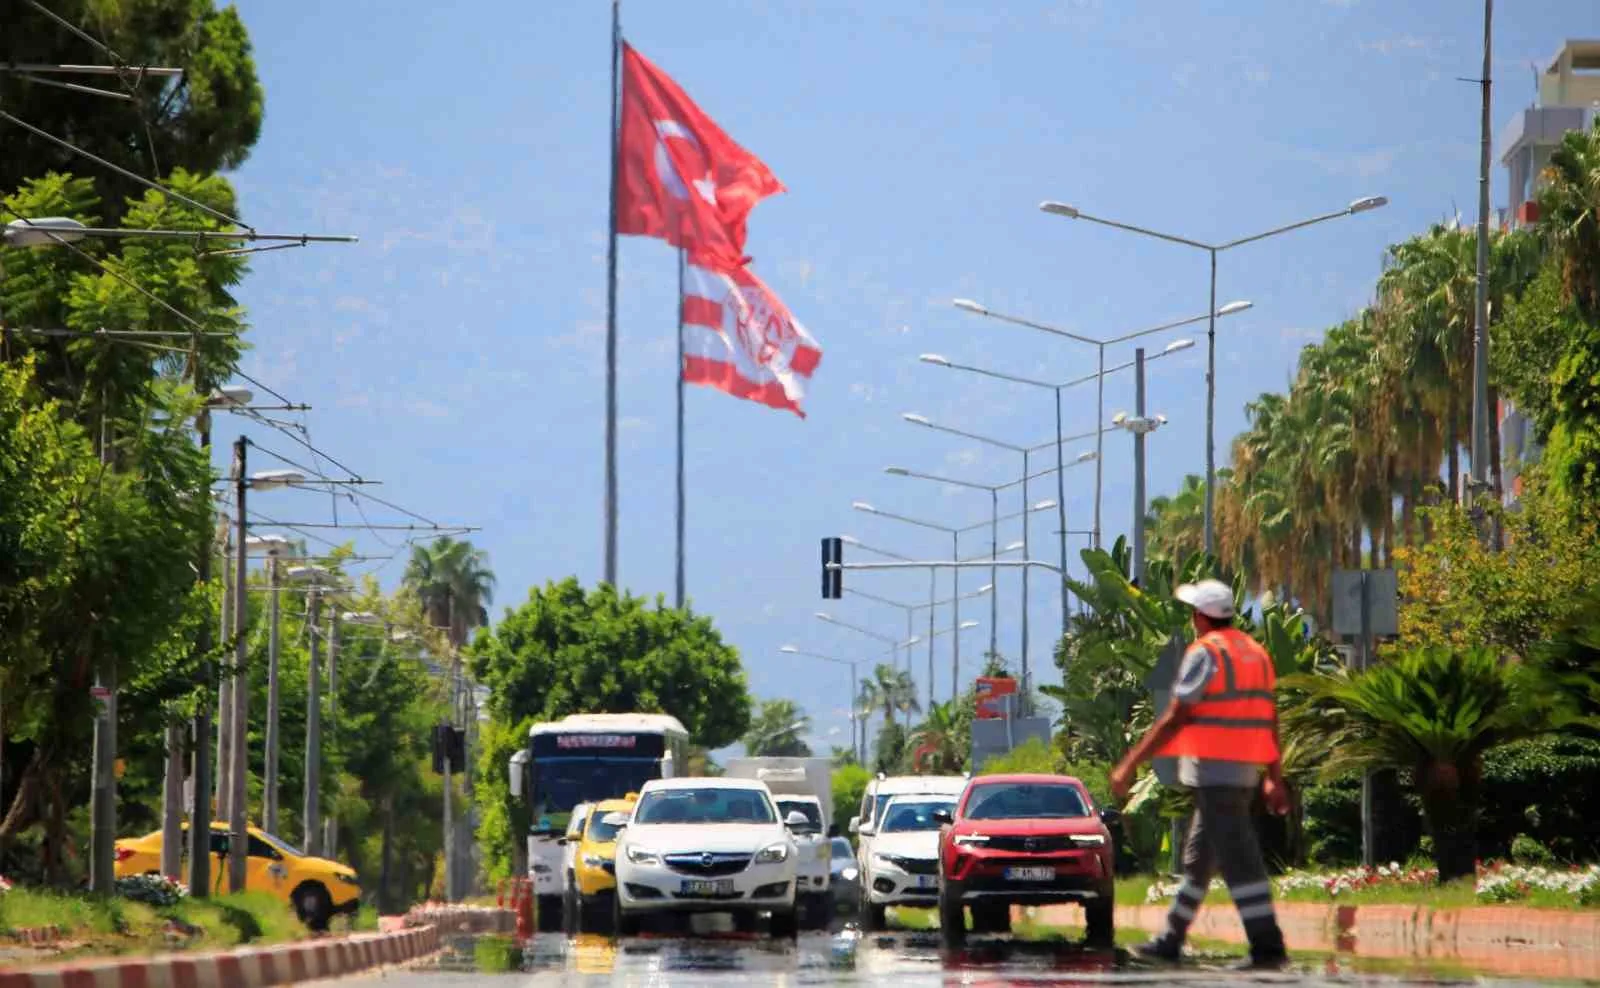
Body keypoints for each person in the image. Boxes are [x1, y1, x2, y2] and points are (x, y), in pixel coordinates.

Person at [1109, 578, 1291, 970]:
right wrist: (1275, 775)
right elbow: (1269, 717)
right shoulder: (1255, 653)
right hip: (1242, 773)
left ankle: (1268, 947)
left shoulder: (1206, 653)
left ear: (1200, 617)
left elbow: (1177, 715)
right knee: (1198, 861)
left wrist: (1130, 762)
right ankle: (1170, 940)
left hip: (1215, 775)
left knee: (1241, 862)